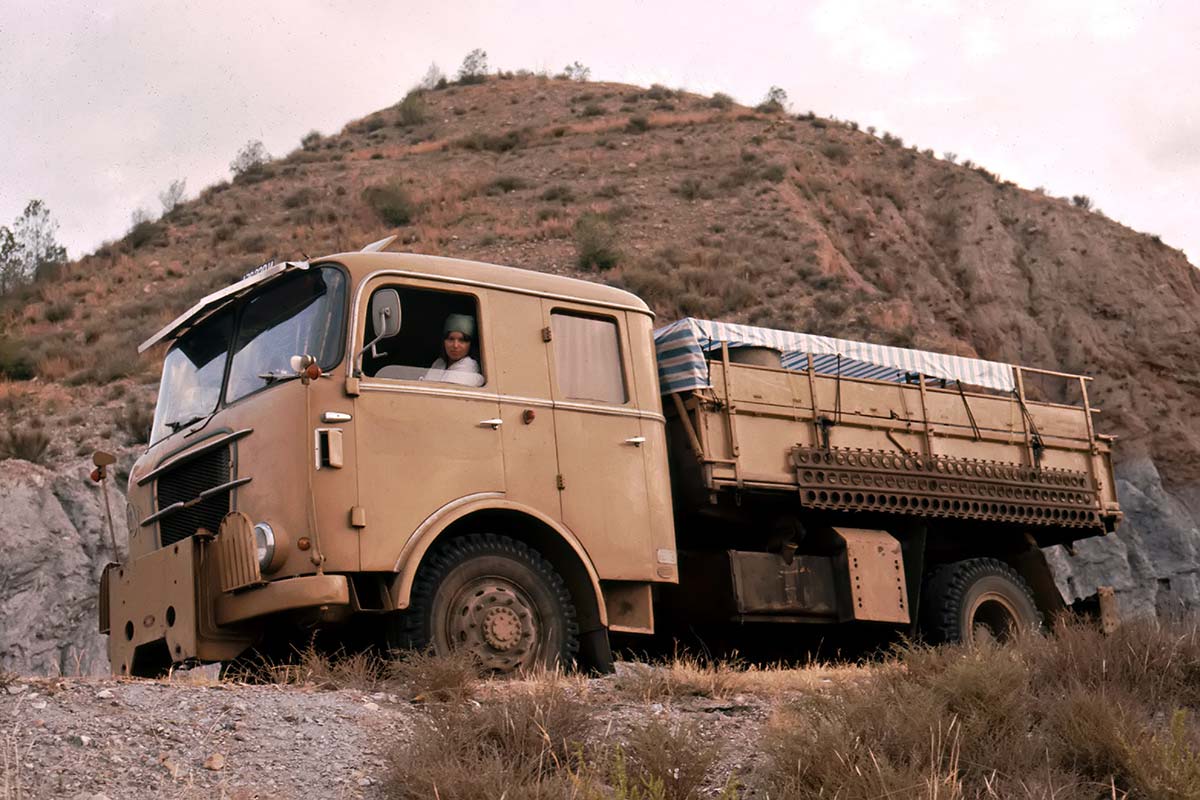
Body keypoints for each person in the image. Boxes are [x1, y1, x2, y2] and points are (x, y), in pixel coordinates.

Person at [422, 313, 484, 387]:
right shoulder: (439, 363)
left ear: (470, 344)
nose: (455, 345)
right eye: (451, 339)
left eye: (462, 340)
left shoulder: (470, 368)